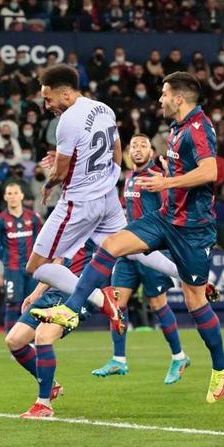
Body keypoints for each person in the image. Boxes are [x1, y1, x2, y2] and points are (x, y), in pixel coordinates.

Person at [32, 72, 224, 403]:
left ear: (179, 99)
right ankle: (71, 308)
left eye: (164, 94)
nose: (160, 99)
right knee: (111, 246)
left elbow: (210, 172)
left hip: (194, 229)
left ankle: (221, 364)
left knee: (195, 302)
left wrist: (166, 184)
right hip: (165, 218)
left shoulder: (198, 127)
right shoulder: (177, 128)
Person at [23, 64, 189, 333]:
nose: (46, 105)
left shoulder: (67, 120)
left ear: (65, 94)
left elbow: (62, 171)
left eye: (48, 98)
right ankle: (185, 274)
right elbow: (116, 152)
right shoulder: (104, 109)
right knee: (129, 247)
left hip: (80, 203)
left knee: (37, 266)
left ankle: (102, 300)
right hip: (108, 196)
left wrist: (49, 183)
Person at [91, 134, 190, 383]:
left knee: (157, 304)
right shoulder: (128, 178)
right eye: (133, 145)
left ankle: (179, 357)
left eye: (143, 145)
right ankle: (119, 360)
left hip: (151, 249)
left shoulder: (157, 176)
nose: (137, 149)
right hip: (128, 249)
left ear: (152, 151)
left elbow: (173, 210)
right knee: (116, 304)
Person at [5, 240, 97, 418]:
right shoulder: (69, 224)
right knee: (14, 341)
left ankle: (43, 403)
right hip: (54, 290)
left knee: (43, 336)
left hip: (78, 293)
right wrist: (37, 292)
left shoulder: (101, 223)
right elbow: (59, 261)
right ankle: (52, 385)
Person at [0, 182, 42, 332]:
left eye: (15, 193)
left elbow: (41, 241)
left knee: (33, 304)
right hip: (12, 270)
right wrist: (7, 259)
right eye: (9, 194)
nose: (13, 196)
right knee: (13, 305)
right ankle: (14, 345)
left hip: (32, 269)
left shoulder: (34, 218)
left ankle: (31, 341)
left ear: (21, 195)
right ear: (5, 197)